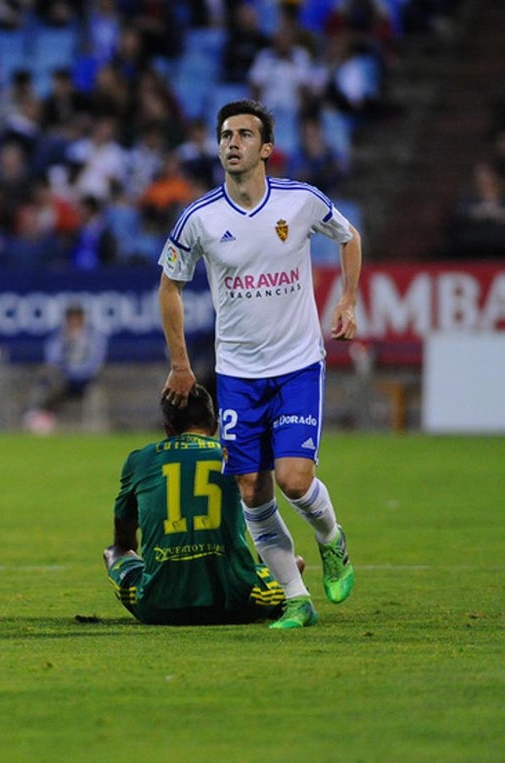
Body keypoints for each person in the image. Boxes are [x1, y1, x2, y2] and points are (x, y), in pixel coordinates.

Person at [158, 99, 360, 629]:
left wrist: (347, 302)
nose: (232, 142)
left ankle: (331, 540)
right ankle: (296, 598)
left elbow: (349, 237)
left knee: (294, 480)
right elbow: (169, 285)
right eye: (225, 134)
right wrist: (181, 364)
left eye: (244, 134)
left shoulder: (299, 202)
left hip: (296, 364)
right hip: (238, 374)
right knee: (251, 488)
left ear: (265, 149)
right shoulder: (199, 218)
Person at [104, 385, 291, 625]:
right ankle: (275, 598)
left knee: (113, 553)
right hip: (238, 602)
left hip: (158, 606)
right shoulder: (236, 456)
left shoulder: (140, 460)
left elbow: (125, 537)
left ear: (168, 430)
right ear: (214, 427)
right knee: (292, 564)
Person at [23, 304, 108, 432]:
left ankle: (42, 415)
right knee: (45, 382)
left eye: (76, 318)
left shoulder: (94, 337)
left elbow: (95, 362)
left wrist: (74, 372)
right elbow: (52, 358)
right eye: (71, 318)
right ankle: (39, 416)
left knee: (57, 384)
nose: (73, 321)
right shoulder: (60, 336)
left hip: (84, 378)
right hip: (62, 377)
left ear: (82, 318)